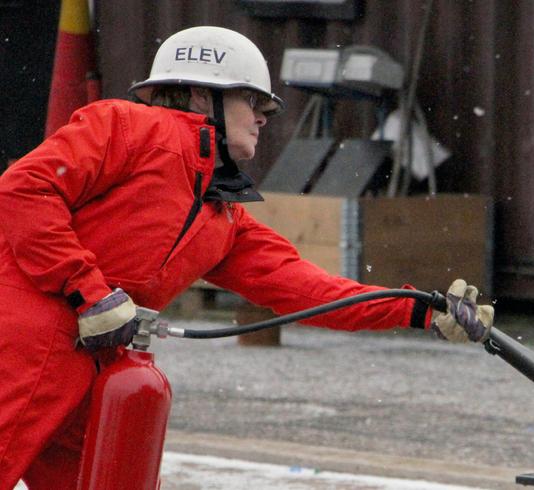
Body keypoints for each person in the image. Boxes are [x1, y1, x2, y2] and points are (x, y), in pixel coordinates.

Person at [0, 25, 494, 488]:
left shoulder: (221, 217)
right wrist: (89, 290)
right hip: (21, 336)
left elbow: (309, 291)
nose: (262, 117)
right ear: (200, 95)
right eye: (251, 101)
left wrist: (417, 311)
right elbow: (24, 188)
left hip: (95, 361)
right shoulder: (124, 126)